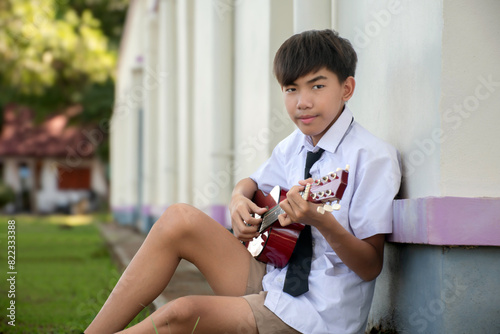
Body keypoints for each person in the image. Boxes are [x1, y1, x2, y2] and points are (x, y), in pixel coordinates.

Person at [85, 29, 401, 334]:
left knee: (182, 314)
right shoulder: (295, 145)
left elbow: (371, 265)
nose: (302, 102)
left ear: (346, 88)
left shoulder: (371, 158)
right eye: (291, 89)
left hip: (317, 314)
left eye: (316, 86)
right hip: (272, 277)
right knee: (178, 218)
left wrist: (320, 220)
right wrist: (238, 199)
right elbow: (251, 182)